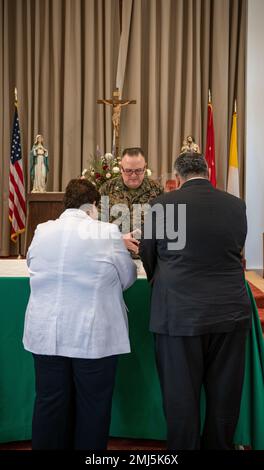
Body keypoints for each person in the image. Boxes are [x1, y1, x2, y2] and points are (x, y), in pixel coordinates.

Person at [139, 152, 252, 450]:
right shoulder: (235, 205)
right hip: (230, 313)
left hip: (178, 313)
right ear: (207, 172)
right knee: (224, 397)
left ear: (178, 176)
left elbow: (148, 253)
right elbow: (236, 250)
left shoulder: (162, 205)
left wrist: (160, 279)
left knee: (180, 399)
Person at [23, 178, 137, 450]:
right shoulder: (107, 232)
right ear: (93, 206)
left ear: (66, 203)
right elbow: (128, 277)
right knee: (93, 407)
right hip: (92, 336)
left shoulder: (42, 230)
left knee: (49, 403)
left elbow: (31, 264)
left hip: (47, 334)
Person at [100, 147, 163, 256]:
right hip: (115, 256)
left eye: (138, 170)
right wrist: (119, 239)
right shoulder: (107, 189)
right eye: (129, 171)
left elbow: (164, 226)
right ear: (121, 168)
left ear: (145, 167)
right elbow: (97, 226)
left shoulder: (157, 190)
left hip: (148, 257)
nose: (133, 176)